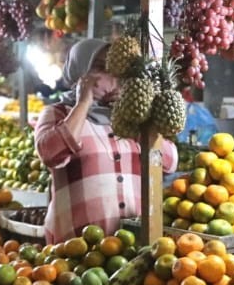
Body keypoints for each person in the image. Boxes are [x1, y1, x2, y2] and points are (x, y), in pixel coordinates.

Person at [35, 39, 178, 243]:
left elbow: (170, 163)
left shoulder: (130, 117)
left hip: (132, 241)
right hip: (75, 245)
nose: (110, 76)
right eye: (100, 67)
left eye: (115, 70)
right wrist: (83, 102)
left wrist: (136, 116)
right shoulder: (57, 113)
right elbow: (51, 155)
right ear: (79, 71)